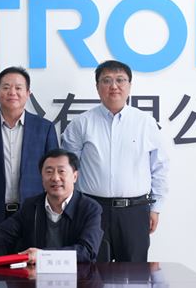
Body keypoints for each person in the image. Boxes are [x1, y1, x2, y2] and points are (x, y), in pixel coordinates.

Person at [61, 60, 169, 262]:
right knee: (91, 272)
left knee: (134, 275)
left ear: (129, 85)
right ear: (97, 87)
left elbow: (159, 168)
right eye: (106, 80)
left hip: (134, 212)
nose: (114, 86)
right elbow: (66, 170)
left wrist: (156, 208)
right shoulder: (81, 123)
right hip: (91, 210)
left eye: (120, 80)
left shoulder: (145, 123)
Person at [0, 149, 102, 263]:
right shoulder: (32, 206)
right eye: (49, 172)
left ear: (75, 176)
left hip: (79, 281)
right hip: (35, 282)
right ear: (41, 177)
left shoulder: (90, 209)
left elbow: (86, 252)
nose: (55, 178)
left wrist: (44, 256)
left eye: (61, 171)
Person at [0, 66, 59, 257]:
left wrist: (54, 217)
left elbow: (53, 177)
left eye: (18, 87)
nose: (12, 92)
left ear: (28, 93)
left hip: (34, 217)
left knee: (30, 272)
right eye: (6, 87)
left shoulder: (44, 128)